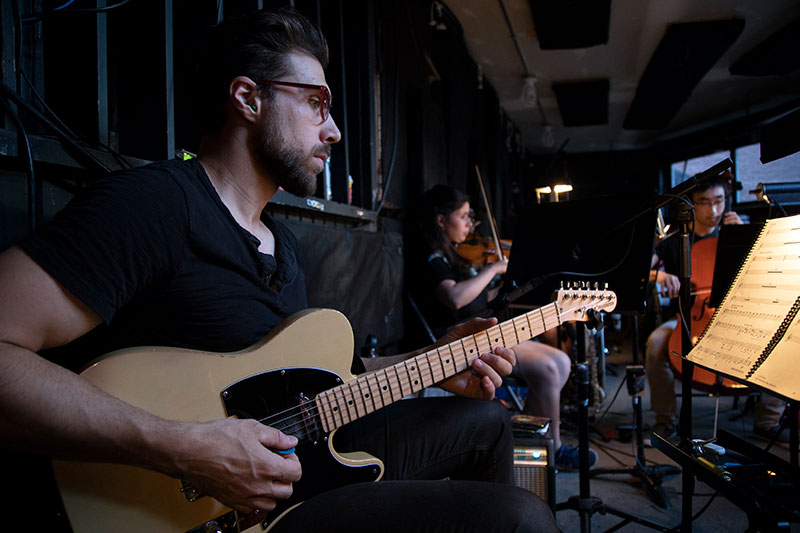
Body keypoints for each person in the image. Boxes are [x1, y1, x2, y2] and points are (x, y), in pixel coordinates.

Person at [0, 8, 559, 532]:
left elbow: (310, 377)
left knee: (489, 423)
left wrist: (432, 361)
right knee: (521, 517)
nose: (333, 131)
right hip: (199, 507)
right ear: (248, 98)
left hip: (297, 463)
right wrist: (183, 448)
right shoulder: (154, 206)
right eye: (316, 102)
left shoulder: (280, 242)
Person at [406, 184, 598, 469]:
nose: (470, 224)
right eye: (464, 216)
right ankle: (552, 449)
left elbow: (480, 299)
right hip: (457, 342)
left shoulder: (454, 256)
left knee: (560, 360)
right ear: (441, 220)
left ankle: (535, 441)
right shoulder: (431, 258)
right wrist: (493, 269)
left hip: (478, 332)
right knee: (548, 368)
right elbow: (456, 298)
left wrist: (515, 287)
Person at [645, 173, 787, 443]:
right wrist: (658, 276)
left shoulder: (737, 232)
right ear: (691, 204)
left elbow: (767, 273)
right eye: (705, 202)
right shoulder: (675, 237)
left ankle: (768, 421)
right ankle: (666, 419)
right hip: (687, 317)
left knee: (781, 342)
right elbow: (642, 271)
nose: (713, 210)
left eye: (719, 201)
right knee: (655, 345)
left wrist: (746, 238)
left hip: (739, 317)